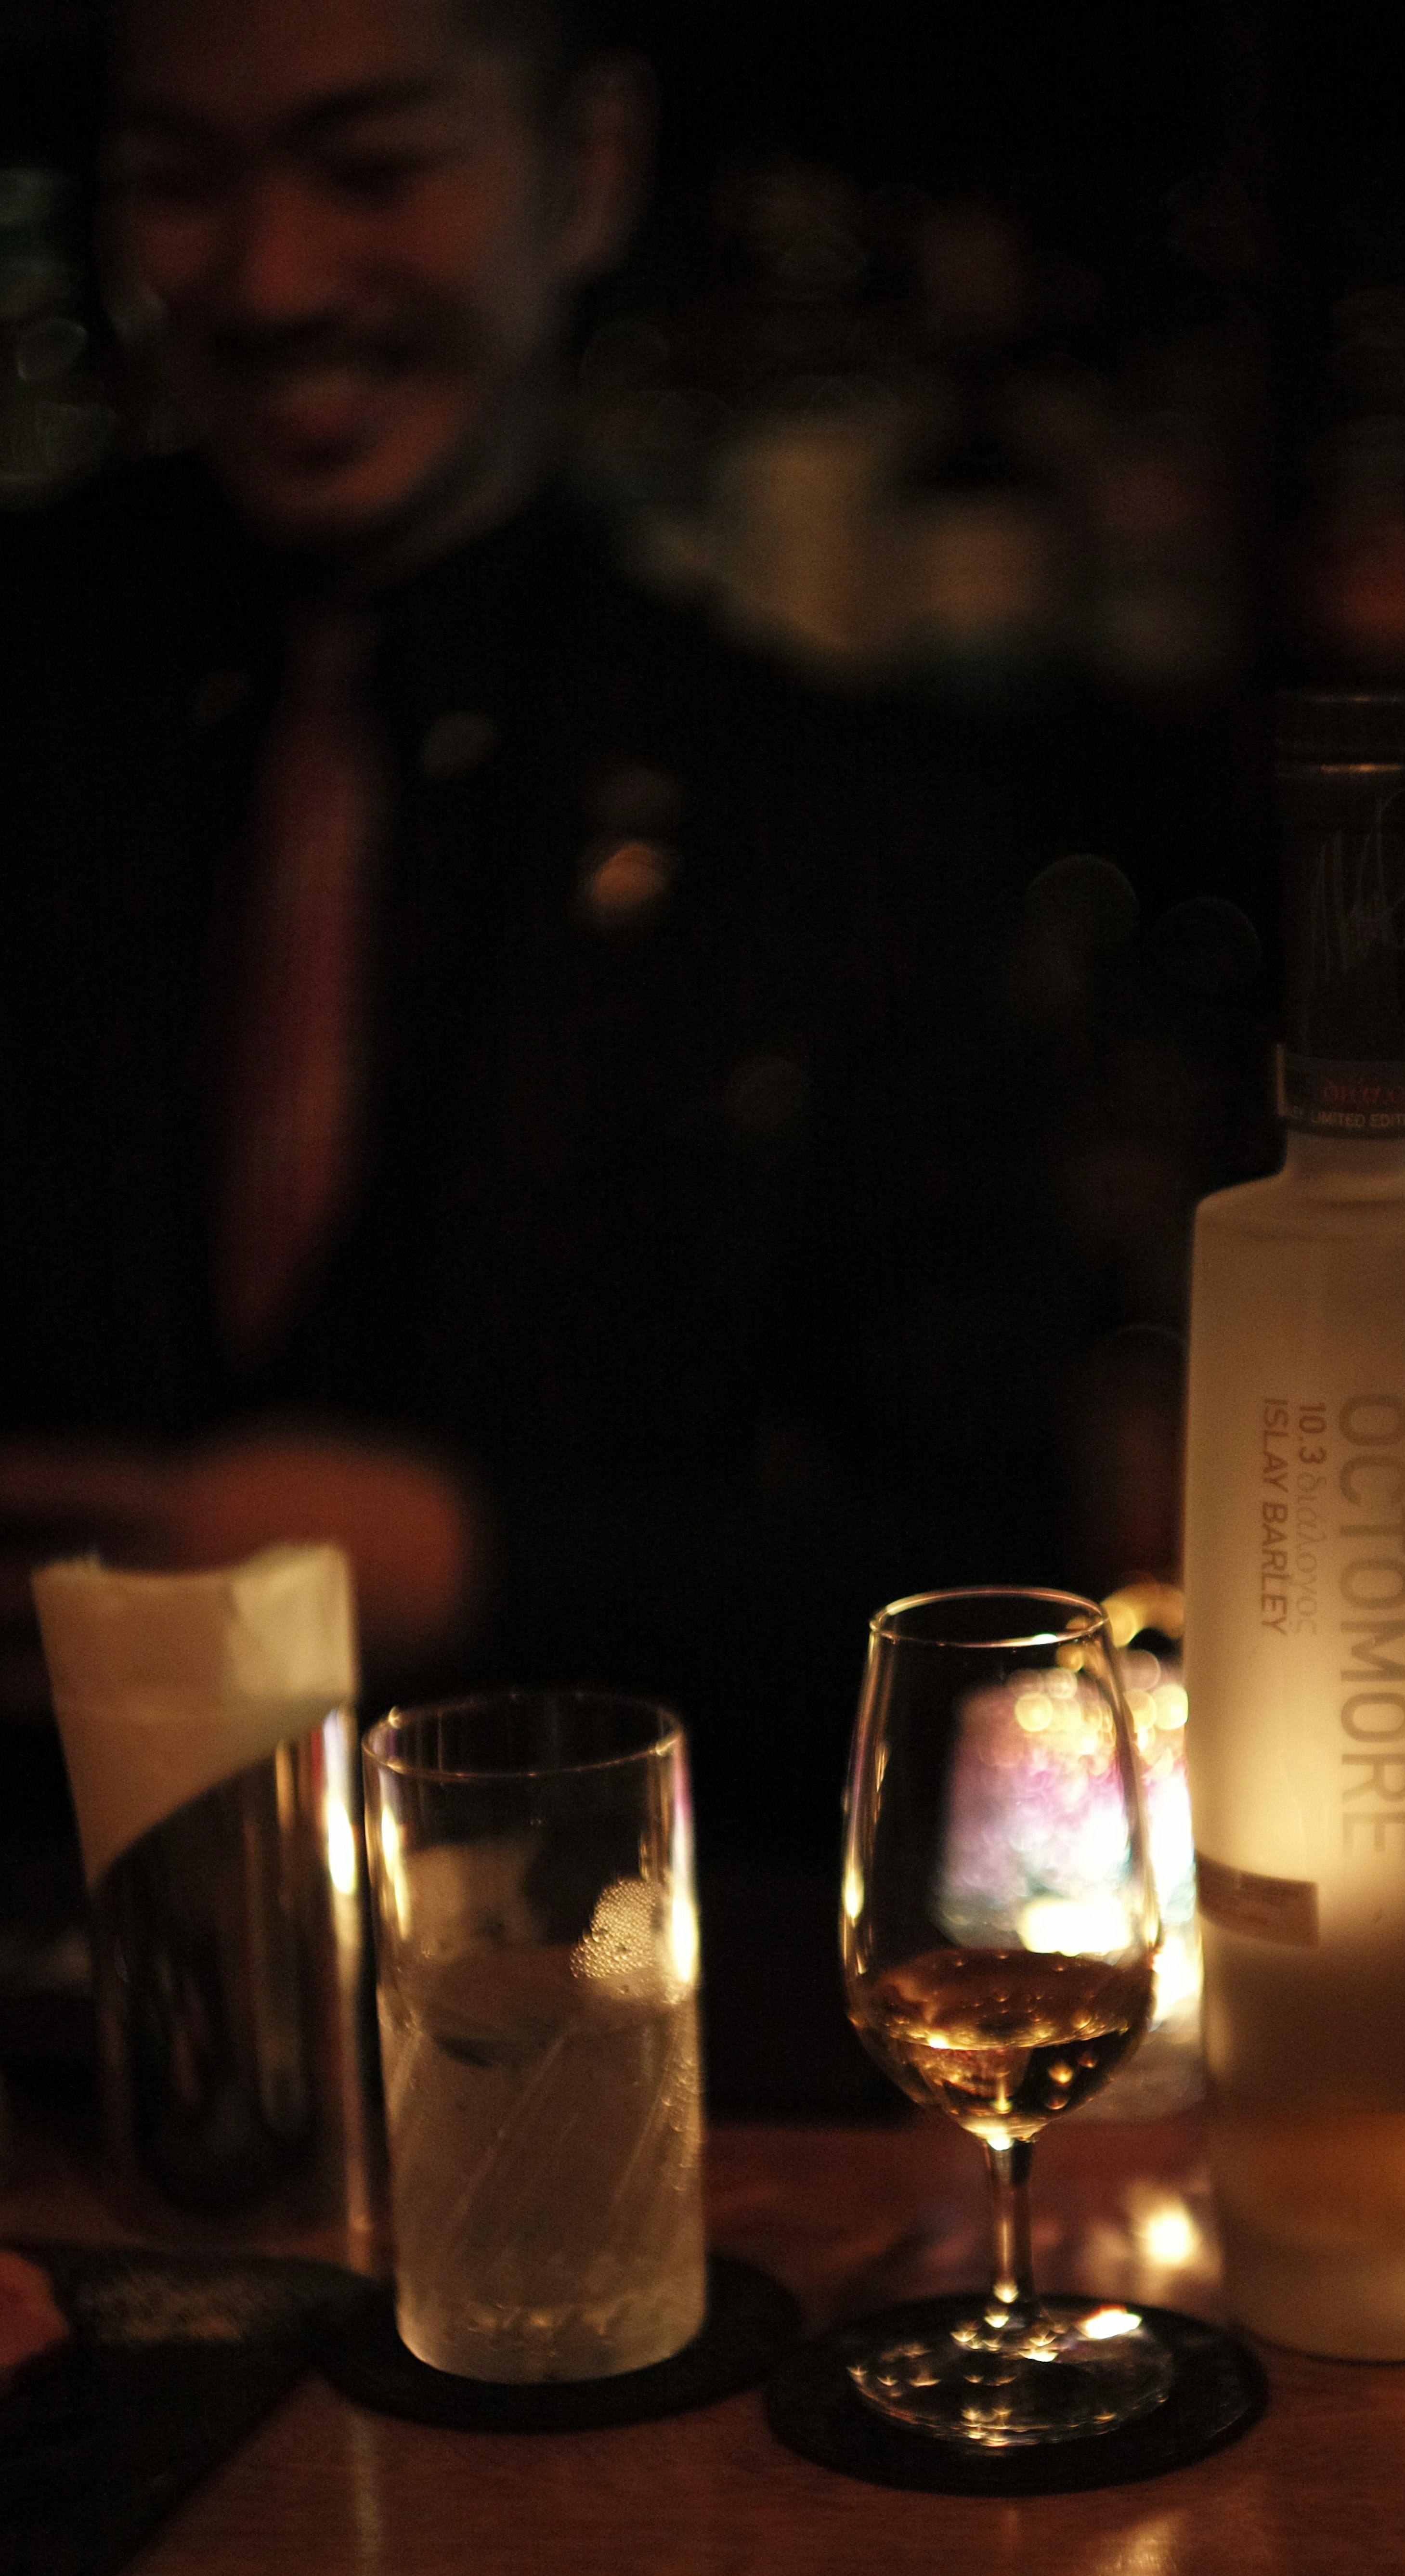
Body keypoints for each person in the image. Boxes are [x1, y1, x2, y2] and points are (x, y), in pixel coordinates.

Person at [0, 0, 1080, 1962]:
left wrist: (473, 1558)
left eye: (372, 168)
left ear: (584, 171)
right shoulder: (32, 702)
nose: (268, 277)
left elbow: (992, 1567)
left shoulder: (819, 817)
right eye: (178, 181)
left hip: (614, 2031)